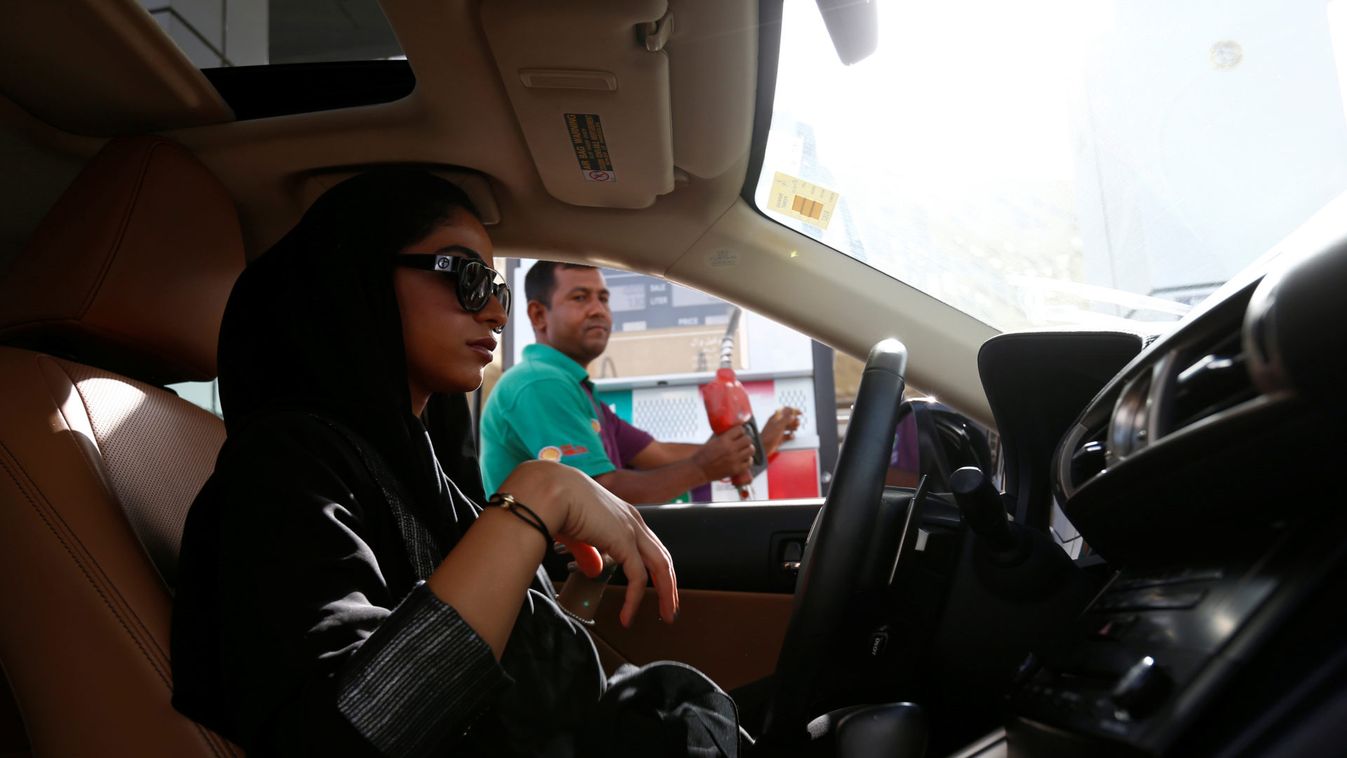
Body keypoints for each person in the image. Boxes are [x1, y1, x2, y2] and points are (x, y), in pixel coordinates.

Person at [170, 170, 741, 756]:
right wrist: (537, 496)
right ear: (361, 276)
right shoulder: (284, 463)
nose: (495, 310)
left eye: (498, 287)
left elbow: (512, 668)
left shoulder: (420, 473)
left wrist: (572, 584)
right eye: (468, 277)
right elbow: (342, 734)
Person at [480, 261, 802, 503]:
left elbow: (658, 455)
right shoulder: (539, 383)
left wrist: (752, 446)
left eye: (603, 299)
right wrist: (704, 469)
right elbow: (599, 493)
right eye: (580, 298)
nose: (598, 310)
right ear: (538, 316)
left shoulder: (575, 389)